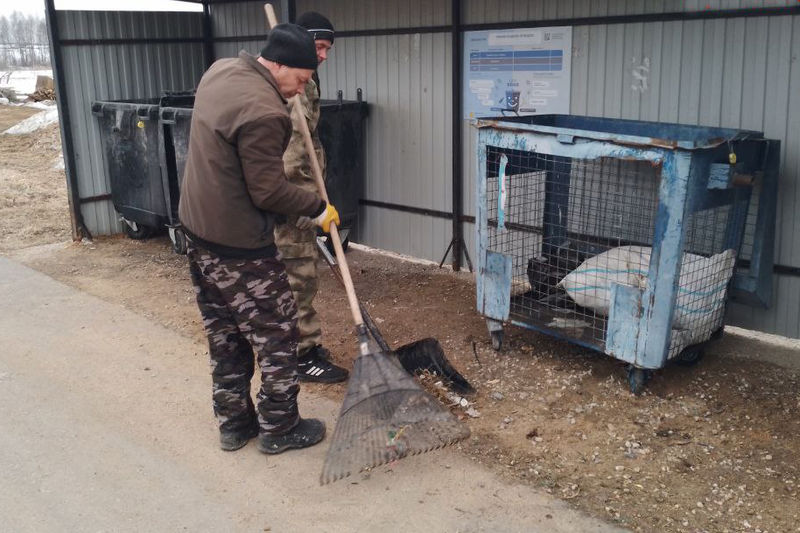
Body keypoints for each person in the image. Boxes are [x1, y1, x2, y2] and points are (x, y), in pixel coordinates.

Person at [177, 23, 340, 454]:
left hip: (197, 229)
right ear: (279, 64)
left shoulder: (220, 71)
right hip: (239, 244)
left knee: (225, 333)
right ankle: (279, 426)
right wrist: (317, 208)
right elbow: (267, 190)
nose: (298, 92)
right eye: (300, 81)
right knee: (279, 334)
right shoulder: (266, 112)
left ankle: (234, 424)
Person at [275, 12, 349, 384]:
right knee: (298, 276)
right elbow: (290, 157)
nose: (323, 56)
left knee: (299, 274)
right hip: (292, 204)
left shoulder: (307, 83)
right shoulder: (294, 90)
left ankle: (300, 346)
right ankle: (302, 356)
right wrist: (311, 206)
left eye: (327, 50)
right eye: (319, 47)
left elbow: (310, 146)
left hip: (304, 195)